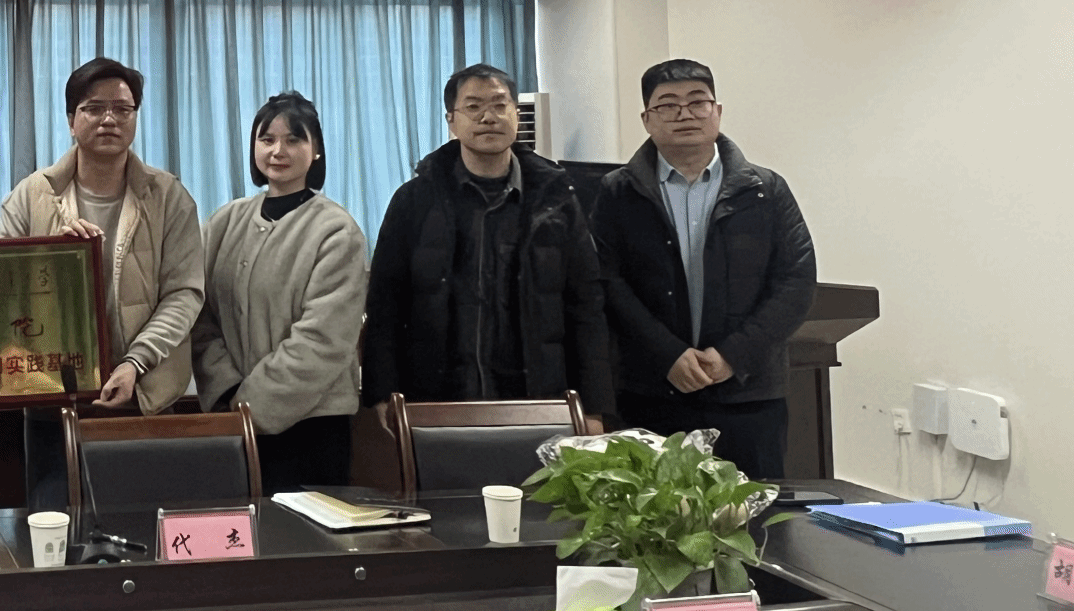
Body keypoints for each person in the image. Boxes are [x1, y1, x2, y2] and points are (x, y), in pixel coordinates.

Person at [592, 59, 817, 480]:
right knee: (652, 514)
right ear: (646, 119)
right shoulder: (618, 193)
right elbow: (608, 283)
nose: (685, 114)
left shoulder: (765, 190)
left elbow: (796, 281)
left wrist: (732, 356)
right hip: (652, 392)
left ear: (717, 111)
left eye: (698, 102)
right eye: (668, 105)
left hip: (748, 395)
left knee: (753, 513)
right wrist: (667, 355)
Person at [361, 64, 614, 426]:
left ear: (516, 114)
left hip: (538, 398)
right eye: (473, 107)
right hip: (437, 397)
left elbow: (586, 306)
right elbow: (385, 303)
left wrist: (594, 404)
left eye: (499, 105)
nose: (488, 117)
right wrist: (382, 390)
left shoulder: (556, 200)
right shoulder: (414, 201)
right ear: (452, 121)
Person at [0, 57, 203, 414]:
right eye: (94, 108)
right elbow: (0, 282)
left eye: (122, 109)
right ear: (71, 121)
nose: (109, 119)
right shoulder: (32, 194)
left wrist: (135, 362)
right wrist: (50, 252)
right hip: (50, 388)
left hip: (144, 388)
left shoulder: (169, 197)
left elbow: (184, 293)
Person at [191, 91, 366, 490]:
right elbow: (198, 313)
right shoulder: (224, 223)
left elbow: (324, 339)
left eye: (293, 139)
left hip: (314, 425)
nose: (278, 150)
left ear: (316, 149)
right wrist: (227, 391)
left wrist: (251, 405)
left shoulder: (337, 231)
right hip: (231, 418)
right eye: (267, 139)